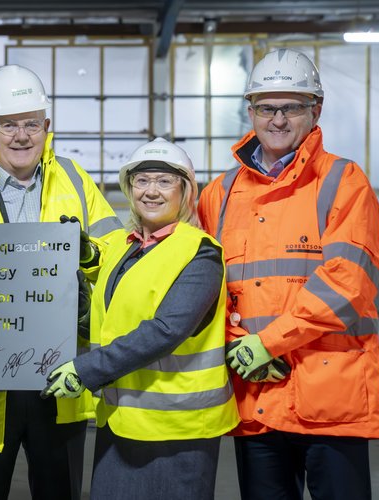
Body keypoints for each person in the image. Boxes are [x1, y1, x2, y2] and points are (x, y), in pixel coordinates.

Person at [198, 48, 379, 500]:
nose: (278, 119)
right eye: (267, 107)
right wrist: (232, 340)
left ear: (315, 110)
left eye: (292, 107)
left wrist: (267, 342)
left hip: (331, 395)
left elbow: (348, 283)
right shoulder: (220, 193)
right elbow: (206, 286)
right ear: (251, 112)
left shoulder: (344, 181)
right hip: (258, 396)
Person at [0, 64, 122, 500]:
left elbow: (115, 259)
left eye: (31, 123)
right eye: (8, 125)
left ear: (47, 126)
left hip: (59, 380)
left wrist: (91, 255)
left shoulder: (75, 182)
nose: (21, 136)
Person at [42, 137, 239, 499]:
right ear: (129, 188)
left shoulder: (200, 252)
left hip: (179, 429)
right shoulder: (120, 246)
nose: (151, 191)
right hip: (121, 420)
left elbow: (166, 330)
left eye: (165, 182)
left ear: (185, 191)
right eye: (142, 180)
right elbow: (108, 311)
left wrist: (85, 369)